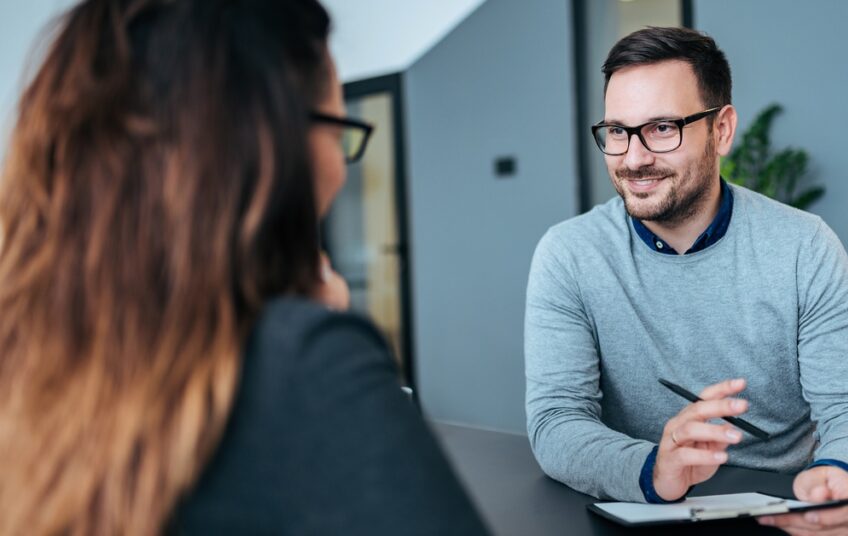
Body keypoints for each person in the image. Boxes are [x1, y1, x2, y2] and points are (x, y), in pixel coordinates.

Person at [0, 1, 487, 534]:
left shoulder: (27, 352)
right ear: (266, 145)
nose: (342, 172)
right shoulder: (302, 363)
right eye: (338, 128)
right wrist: (311, 339)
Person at [525, 26, 848, 535]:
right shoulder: (569, 254)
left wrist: (841, 475)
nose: (633, 158)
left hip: (785, 512)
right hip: (642, 510)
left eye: (661, 127)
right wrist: (656, 466)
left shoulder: (804, 246)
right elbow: (557, 422)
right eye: (617, 131)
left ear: (721, 130)